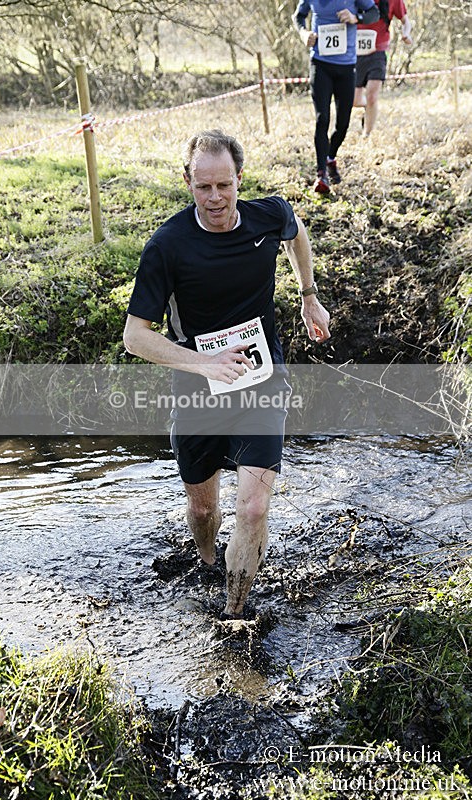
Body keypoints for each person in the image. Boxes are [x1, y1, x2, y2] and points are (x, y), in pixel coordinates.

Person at [123, 130, 330, 619]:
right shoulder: (168, 246)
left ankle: (235, 616)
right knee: (202, 510)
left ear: (240, 178)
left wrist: (308, 295)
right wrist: (203, 362)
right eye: (203, 187)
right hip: (197, 387)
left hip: (262, 378)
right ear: (188, 182)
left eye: (224, 186)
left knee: (253, 508)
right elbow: (135, 336)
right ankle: (208, 560)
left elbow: (296, 232)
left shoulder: (268, 215)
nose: (215, 198)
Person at [294, 0, 380, 193]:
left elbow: (374, 13)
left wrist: (355, 17)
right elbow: (299, 16)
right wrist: (303, 33)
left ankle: (330, 157)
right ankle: (321, 174)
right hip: (320, 64)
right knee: (322, 118)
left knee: (343, 125)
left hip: (346, 67)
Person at [354, 0, 412, 135]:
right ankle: (368, 108)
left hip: (378, 52)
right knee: (354, 100)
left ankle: (367, 135)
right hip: (355, 52)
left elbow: (406, 21)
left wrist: (406, 33)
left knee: (372, 96)